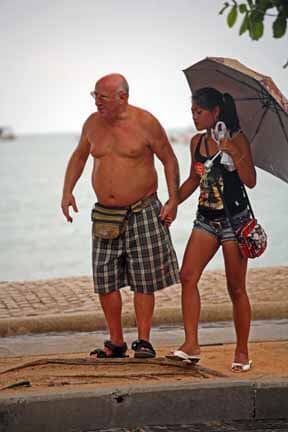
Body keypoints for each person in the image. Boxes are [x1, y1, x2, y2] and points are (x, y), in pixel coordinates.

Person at [61, 73, 180, 359]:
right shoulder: (92, 123)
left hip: (143, 209)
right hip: (105, 215)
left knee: (144, 279)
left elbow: (169, 158)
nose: (96, 102)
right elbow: (79, 156)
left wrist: (173, 200)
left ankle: (144, 341)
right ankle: (116, 342)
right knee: (105, 279)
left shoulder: (145, 122)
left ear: (122, 97)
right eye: (95, 96)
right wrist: (67, 191)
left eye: (102, 97)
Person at [167, 87, 256, 372]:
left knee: (236, 288)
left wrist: (232, 150)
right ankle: (191, 345)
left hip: (234, 221)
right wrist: (173, 202)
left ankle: (242, 350)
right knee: (188, 276)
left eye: (199, 112)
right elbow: (195, 180)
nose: (194, 117)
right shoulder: (196, 142)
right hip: (205, 220)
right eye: (192, 112)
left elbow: (250, 180)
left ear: (215, 113)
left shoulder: (237, 138)